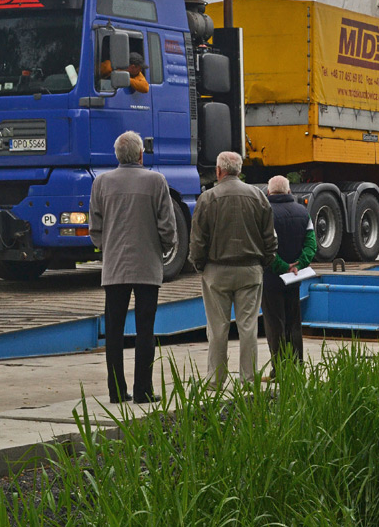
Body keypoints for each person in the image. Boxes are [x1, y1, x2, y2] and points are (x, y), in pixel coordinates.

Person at [89, 131, 178, 404]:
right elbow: (168, 226)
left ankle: (116, 391)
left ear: (117, 155)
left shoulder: (101, 182)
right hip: (147, 267)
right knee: (145, 329)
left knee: (114, 331)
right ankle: (143, 390)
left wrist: (109, 247)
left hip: (114, 267)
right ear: (141, 155)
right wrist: (162, 248)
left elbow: (95, 228)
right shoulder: (156, 181)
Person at [189, 151, 278, 389]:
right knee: (248, 327)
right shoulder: (258, 196)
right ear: (239, 170)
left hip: (217, 271)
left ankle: (215, 381)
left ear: (218, 171)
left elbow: (198, 240)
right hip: (250, 270)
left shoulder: (207, 198)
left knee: (217, 328)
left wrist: (200, 265)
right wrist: (263, 263)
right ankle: (248, 380)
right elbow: (270, 239)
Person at [261, 175, 316, 378]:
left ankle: (280, 370)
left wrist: (281, 266)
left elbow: (264, 247)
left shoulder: (265, 213)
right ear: (289, 191)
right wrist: (298, 265)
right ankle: (297, 366)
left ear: (269, 192)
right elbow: (311, 244)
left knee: (274, 324)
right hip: (295, 278)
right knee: (293, 321)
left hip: (272, 278)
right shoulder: (303, 212)